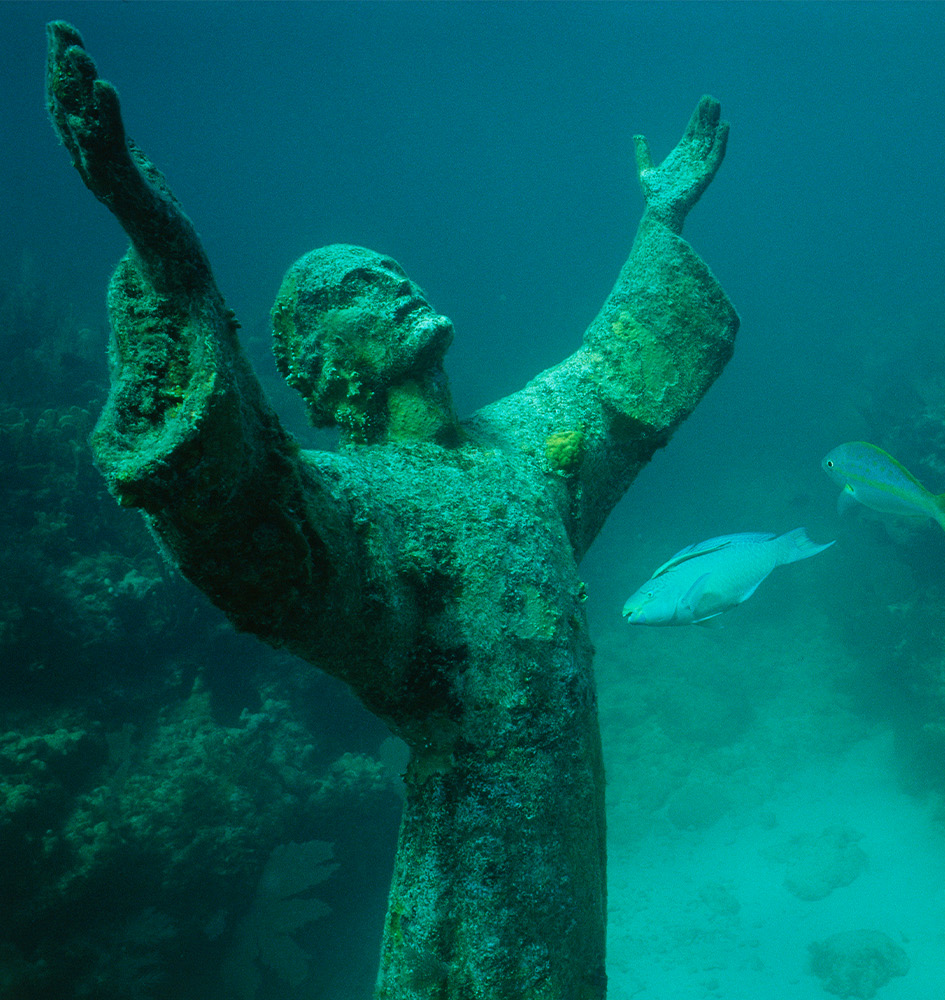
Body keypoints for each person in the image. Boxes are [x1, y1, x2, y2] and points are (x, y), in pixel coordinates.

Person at [46, 20, 738, 999]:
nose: (397, 285)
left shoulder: (518, 448)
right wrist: (171, 259)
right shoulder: (364, 507)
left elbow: (615, 369)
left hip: (569, 838)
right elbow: (247, 505)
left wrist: (661, 222)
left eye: (392, 270)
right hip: (478, 870)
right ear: (326, 367)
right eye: (362, 291)